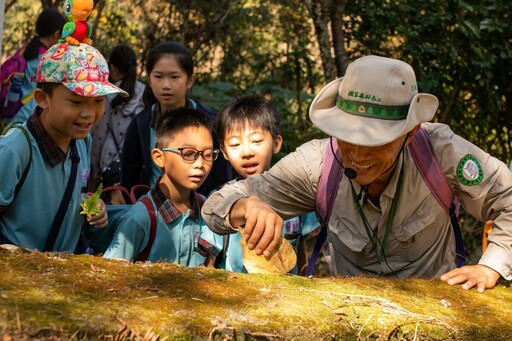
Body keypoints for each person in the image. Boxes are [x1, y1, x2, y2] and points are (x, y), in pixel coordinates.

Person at [201, 55, 512, 292]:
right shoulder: (317, 164)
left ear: (410, 131)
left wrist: (490, 266)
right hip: (350, 317)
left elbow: (508, 198)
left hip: (433, 314)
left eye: (375, 141)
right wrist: (244, 206)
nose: (358, 154)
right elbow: (217, 205)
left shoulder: (441, 154)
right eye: (348, 137)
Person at [0, 42, 128, 252]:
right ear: (42, 98)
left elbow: (73, 192)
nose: (89, 113)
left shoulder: (82, 141)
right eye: (76, 102)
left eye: (98, 101)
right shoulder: (15, 149)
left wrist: (91, 205)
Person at [205, 94, 320, 275]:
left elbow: (301, 251)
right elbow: (208, 262)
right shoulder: (220, 201)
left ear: (276, 143)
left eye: (256, 141)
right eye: (235, 144)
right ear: (224, 152)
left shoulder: (297, 195)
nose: (247, 152)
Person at [104, 108, 222, 264]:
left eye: (207, 154)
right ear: (159, 157)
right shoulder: (142, 218)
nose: (200, 164)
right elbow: (110, 273)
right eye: (187, 154)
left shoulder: (205, 210)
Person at [120, 41, 232, 199]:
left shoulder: (210, 122)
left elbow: (222, 179)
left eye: (174, 77)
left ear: (190, 80)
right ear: (150, 80)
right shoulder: (141, 124)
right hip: (153, 212)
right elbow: (128, 178)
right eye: (158, 76)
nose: (166, 85)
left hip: (203, 212)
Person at [90, 45, 145, 203]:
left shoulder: (107, 95)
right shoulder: (143, 92)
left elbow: (99, 134)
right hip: (136, 159)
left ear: (112, 68)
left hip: (110, 161)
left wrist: (95, 167)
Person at [3, 8, 67, 125]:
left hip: (11, 112)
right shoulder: (45, 59)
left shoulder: (25, 50)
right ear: (56, 34)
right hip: (25, 118)